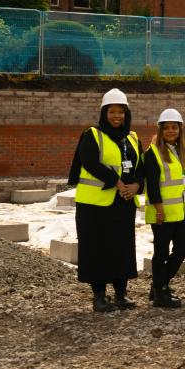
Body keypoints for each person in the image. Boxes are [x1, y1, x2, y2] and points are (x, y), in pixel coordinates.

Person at [68, 88, 142, 312]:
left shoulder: (132, 137)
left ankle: (121, 294)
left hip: (123, 203)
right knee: (96, 249)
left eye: (121, 112)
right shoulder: (93, 134)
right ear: (104, 113)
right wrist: (118, 183)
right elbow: (90, 162)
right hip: (95, 205)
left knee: (122, 247)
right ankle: (99, 296)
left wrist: (136, 185)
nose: (117, 116)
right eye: (112, 112)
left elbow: (141, 166)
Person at [142, 108, 185, 308]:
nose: (170, 131)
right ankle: (161, 294)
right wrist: (158, 209)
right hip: (163, 213)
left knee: (183, 248)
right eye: (166, 128)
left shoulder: (183, 151)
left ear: (180, 129)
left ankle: (159, 284)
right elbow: (152, 184)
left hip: (183, 211)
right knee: (161, 253)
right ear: (160, 130)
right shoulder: (153, 153)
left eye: (174, 127)